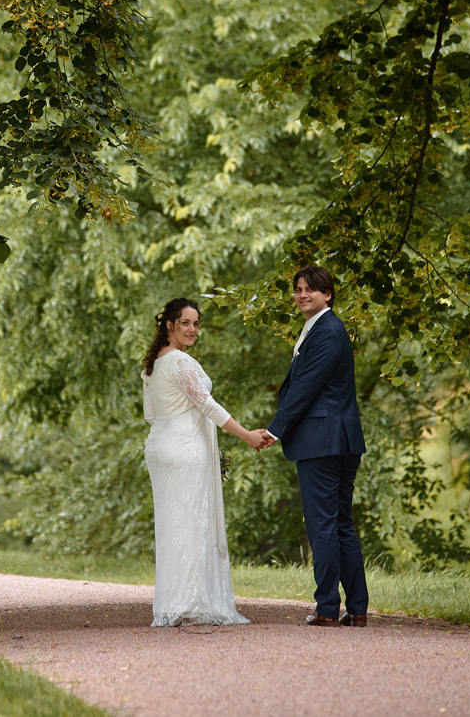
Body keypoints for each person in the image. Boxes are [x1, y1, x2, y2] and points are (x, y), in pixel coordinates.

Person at [257, 266, 369, 627]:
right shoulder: (323, 329)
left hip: (323, 442)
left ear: (328, 294)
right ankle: (358, 607)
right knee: (339, 523)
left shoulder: (328, 332)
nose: (303, 294)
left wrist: (275, 430)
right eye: (299, 289)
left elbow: (305, 387)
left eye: (311, 289)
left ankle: (326, 608)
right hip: (339, 439)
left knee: (324, 525)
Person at [141, 298, 263, 627]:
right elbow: (208, 406)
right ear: (169, 325)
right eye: (185, 323)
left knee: (172, 526)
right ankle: (192, 604)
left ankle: (172, 604)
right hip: (185, 449)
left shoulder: (152, 365)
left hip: (160, 447)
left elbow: (150, 415)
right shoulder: (180, 362)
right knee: (192, 523)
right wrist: (247, 435)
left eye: (196, 324)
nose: (193, 330)